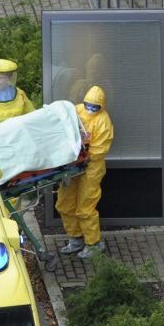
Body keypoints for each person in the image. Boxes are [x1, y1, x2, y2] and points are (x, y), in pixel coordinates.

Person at [53, 85, 114, 261]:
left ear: (101, 106)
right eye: (88, 105)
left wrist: (81, 155)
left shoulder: (103, 122)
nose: (90, 109)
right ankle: (76, 238)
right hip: (72, 164)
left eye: (95, 107)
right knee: (64, 203)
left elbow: (99, 149)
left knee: (85, 207)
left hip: (91, 168)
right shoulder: (78, 109)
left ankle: (93, 244)